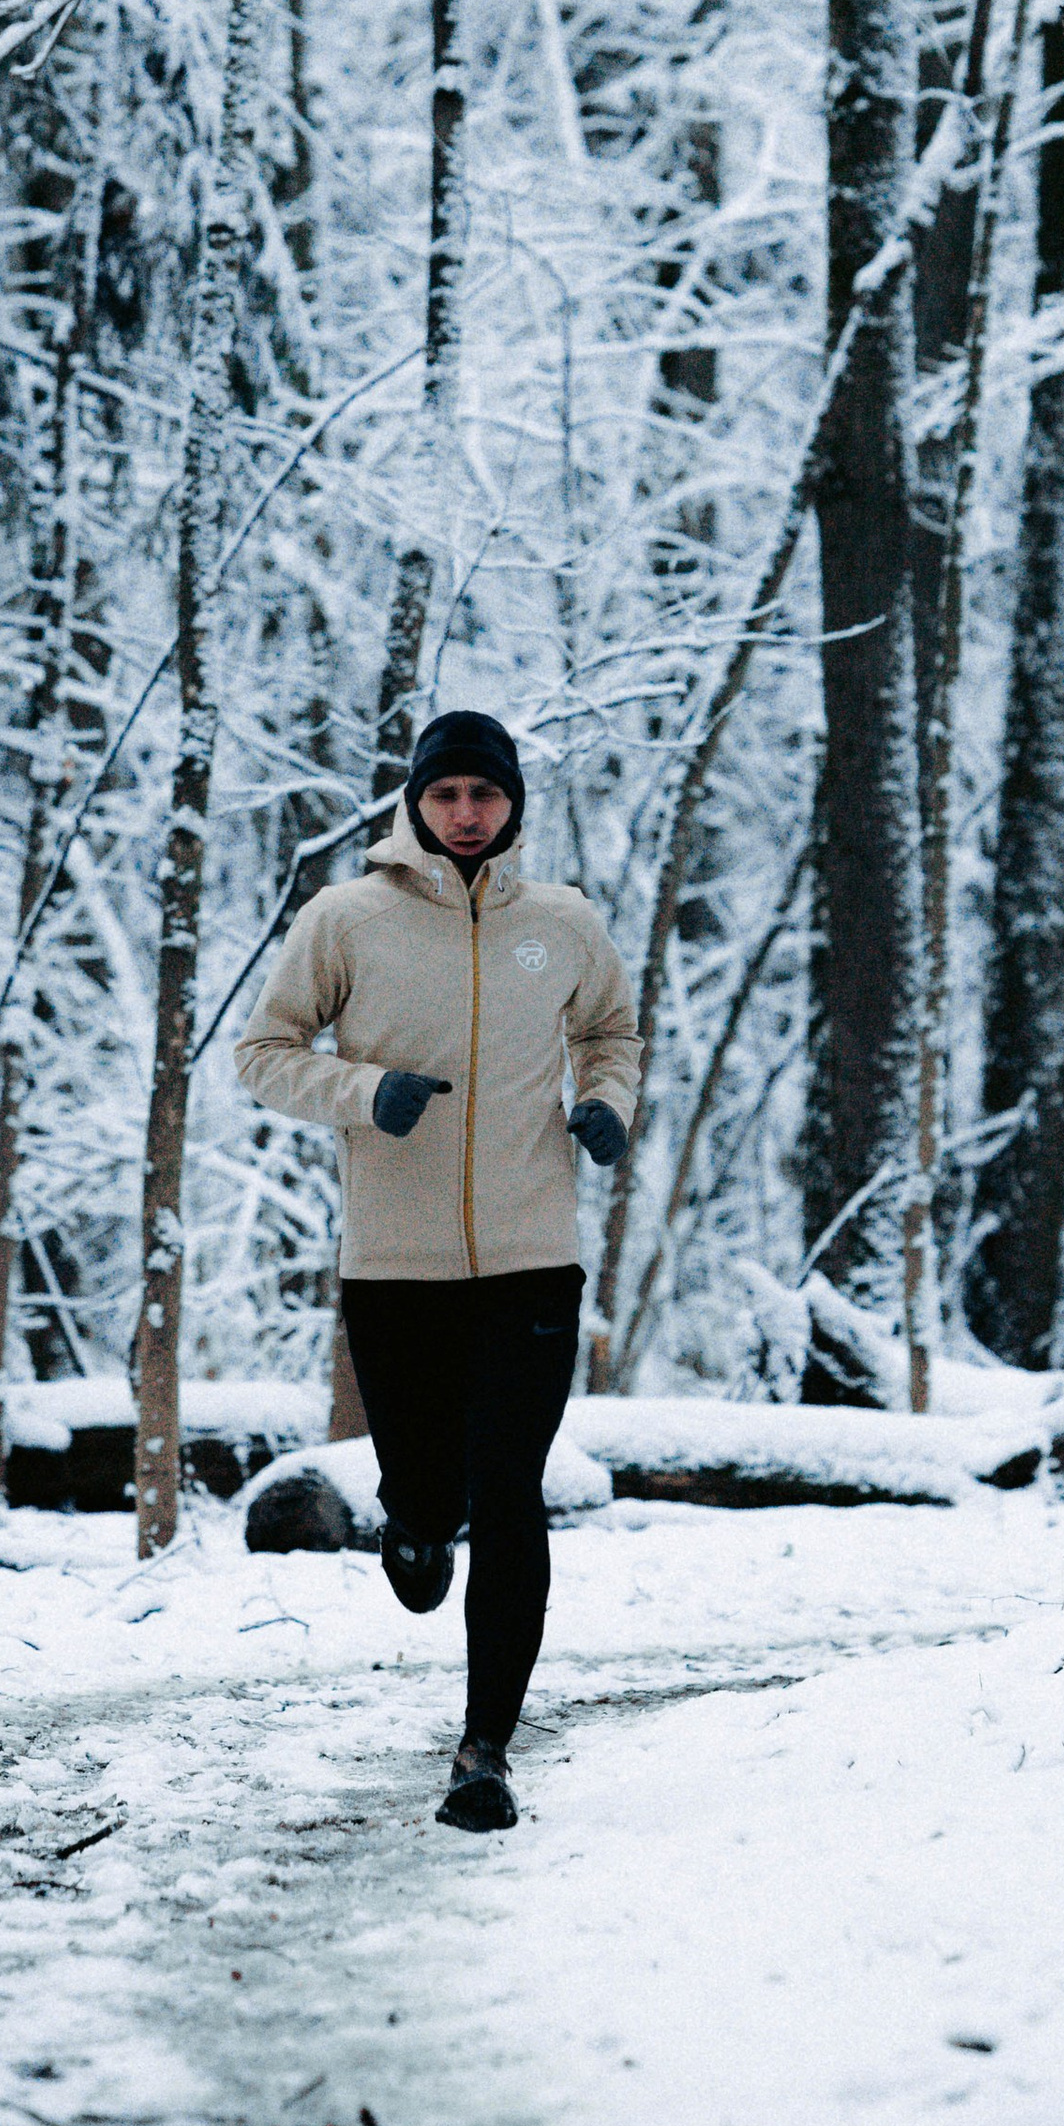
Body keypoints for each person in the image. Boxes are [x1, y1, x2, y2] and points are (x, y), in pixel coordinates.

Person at [234, 709, 641, 1832]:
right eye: (449, 794)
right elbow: (262, 1052)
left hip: (531, 1261)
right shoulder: (347, 917)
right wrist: (368, 1095)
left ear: (513, 804)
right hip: (395, 1268)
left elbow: (612, 1032)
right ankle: (413, 1521)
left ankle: (484, 1753)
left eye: (487, 795)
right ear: (417, 801)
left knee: (511, 1492)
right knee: (430, 1494)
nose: (469, 813)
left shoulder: (561, 924)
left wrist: (605, 1106)